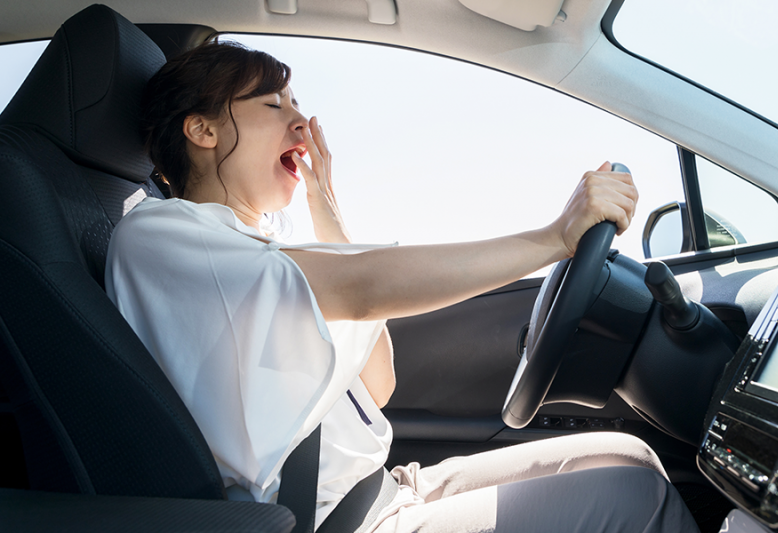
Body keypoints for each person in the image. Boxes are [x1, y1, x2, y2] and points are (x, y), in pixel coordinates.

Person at [105, 41, 700, 532]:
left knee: (630, 456)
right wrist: (554, 237)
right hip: (333, 520)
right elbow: (362, 288)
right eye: (271, 104)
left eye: (296, 101)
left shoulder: (261, 247)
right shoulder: (163, 233)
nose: (301, 122)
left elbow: (379, 381)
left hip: (381, 491)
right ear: (203, 130)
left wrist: (326, 207)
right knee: (637, 498)